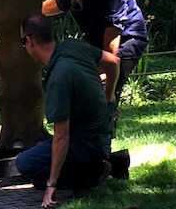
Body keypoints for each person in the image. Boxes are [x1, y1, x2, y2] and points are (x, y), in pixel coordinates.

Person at [15, 14, 119, 207]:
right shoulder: (73, 46)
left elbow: (61, 137)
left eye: (23, 42)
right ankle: (100, 164)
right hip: (102, 136)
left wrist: (51, 185)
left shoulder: (59, 79)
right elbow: (113, 61)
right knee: (40, 159)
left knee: (25, 163)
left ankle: (91, 173)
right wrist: (109, 95)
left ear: (29, 41)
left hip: (88, 144)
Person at [41, 0, 148, 104]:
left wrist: (105, 73)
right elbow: (59, 4)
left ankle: (106, 119)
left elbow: (112, 34)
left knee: (103, 95)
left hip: (125, 41)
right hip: (93, 40)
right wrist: (32, 12)